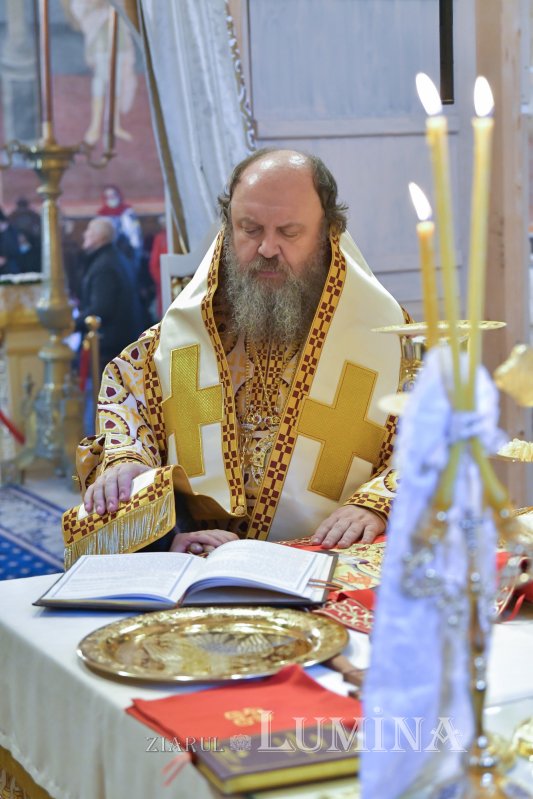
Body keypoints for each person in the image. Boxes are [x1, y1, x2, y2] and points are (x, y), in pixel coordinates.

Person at [73, 149, 405, 560]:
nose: (267, 248)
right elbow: (127, 395)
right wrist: (128, 461)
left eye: (289, 232)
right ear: (228, 228)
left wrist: (375, 502)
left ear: (328, 233)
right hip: (203, 563)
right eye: (250, 229)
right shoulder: (181, 338)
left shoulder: (388, 342)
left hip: (327, 559)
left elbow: (431, 443)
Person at [76, 217, 144, 374]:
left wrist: (73, 324)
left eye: (89, 231)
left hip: (111, 342)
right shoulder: (113, 257)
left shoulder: (104, 265)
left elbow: (102, 308)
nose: (84, 235)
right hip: (121, 339)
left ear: (99, 237)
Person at [97, 185, 143, 269]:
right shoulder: (101, 216)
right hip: (110, 251)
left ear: (119, 196)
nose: (112, 198)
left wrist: (136, 249)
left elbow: (135, 232)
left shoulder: (129, 212)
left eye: (114, 195)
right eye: (108, 196)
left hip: (129, 250)